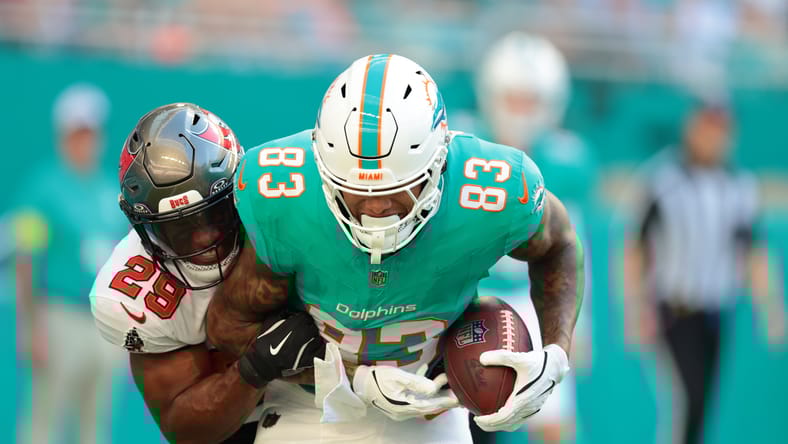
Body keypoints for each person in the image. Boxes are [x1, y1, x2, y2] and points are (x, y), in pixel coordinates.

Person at [206, 53, 585, 443]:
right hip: (311, 407)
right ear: (323, 169)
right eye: (354, 189)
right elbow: (228, 327)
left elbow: (560, 245)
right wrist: (352, 378)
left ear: (439, 164)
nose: (375, 206)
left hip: (432, 410)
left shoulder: (493, 189)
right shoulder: (282, 193)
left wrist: (556, 353)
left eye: (395, 189)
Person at [89, 103, 326, 443]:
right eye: (179, 228)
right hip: (242, 418)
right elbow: (182, 424)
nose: (203, 238)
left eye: (212, 214)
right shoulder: (135, 293)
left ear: (238, 186)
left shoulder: (284, 203)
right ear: (144, 229)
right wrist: (255, 366)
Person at [623, 99, 786, 444]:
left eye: (721, 130)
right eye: (707, 127)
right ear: (691, 128)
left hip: (715, 312)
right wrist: (636, 307)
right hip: (673, 308)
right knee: (687, 398)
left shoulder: (741, 187)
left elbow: (752, 251)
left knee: (703, 405)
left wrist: (770, 307)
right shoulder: (663, 180)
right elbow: (636, 247)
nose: (713, 138)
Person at [473, 31, 597, 444]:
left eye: (531, 101)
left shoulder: (566, 159)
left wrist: (580, 320)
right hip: (472, 293)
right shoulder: (465, 148)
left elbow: (573, 246)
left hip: (533, 293)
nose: (522, 112)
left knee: (555, 415)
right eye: (513, 99)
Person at [14, 83, 128, 444]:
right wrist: (30, 325)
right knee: (44, 421)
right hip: (59, 315)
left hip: (103, 323)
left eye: (90, 133)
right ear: (64, 136)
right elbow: (25, 259)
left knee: (94, 424)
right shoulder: (42, 189)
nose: (85, 141)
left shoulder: (110, 191)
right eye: (77, 133)